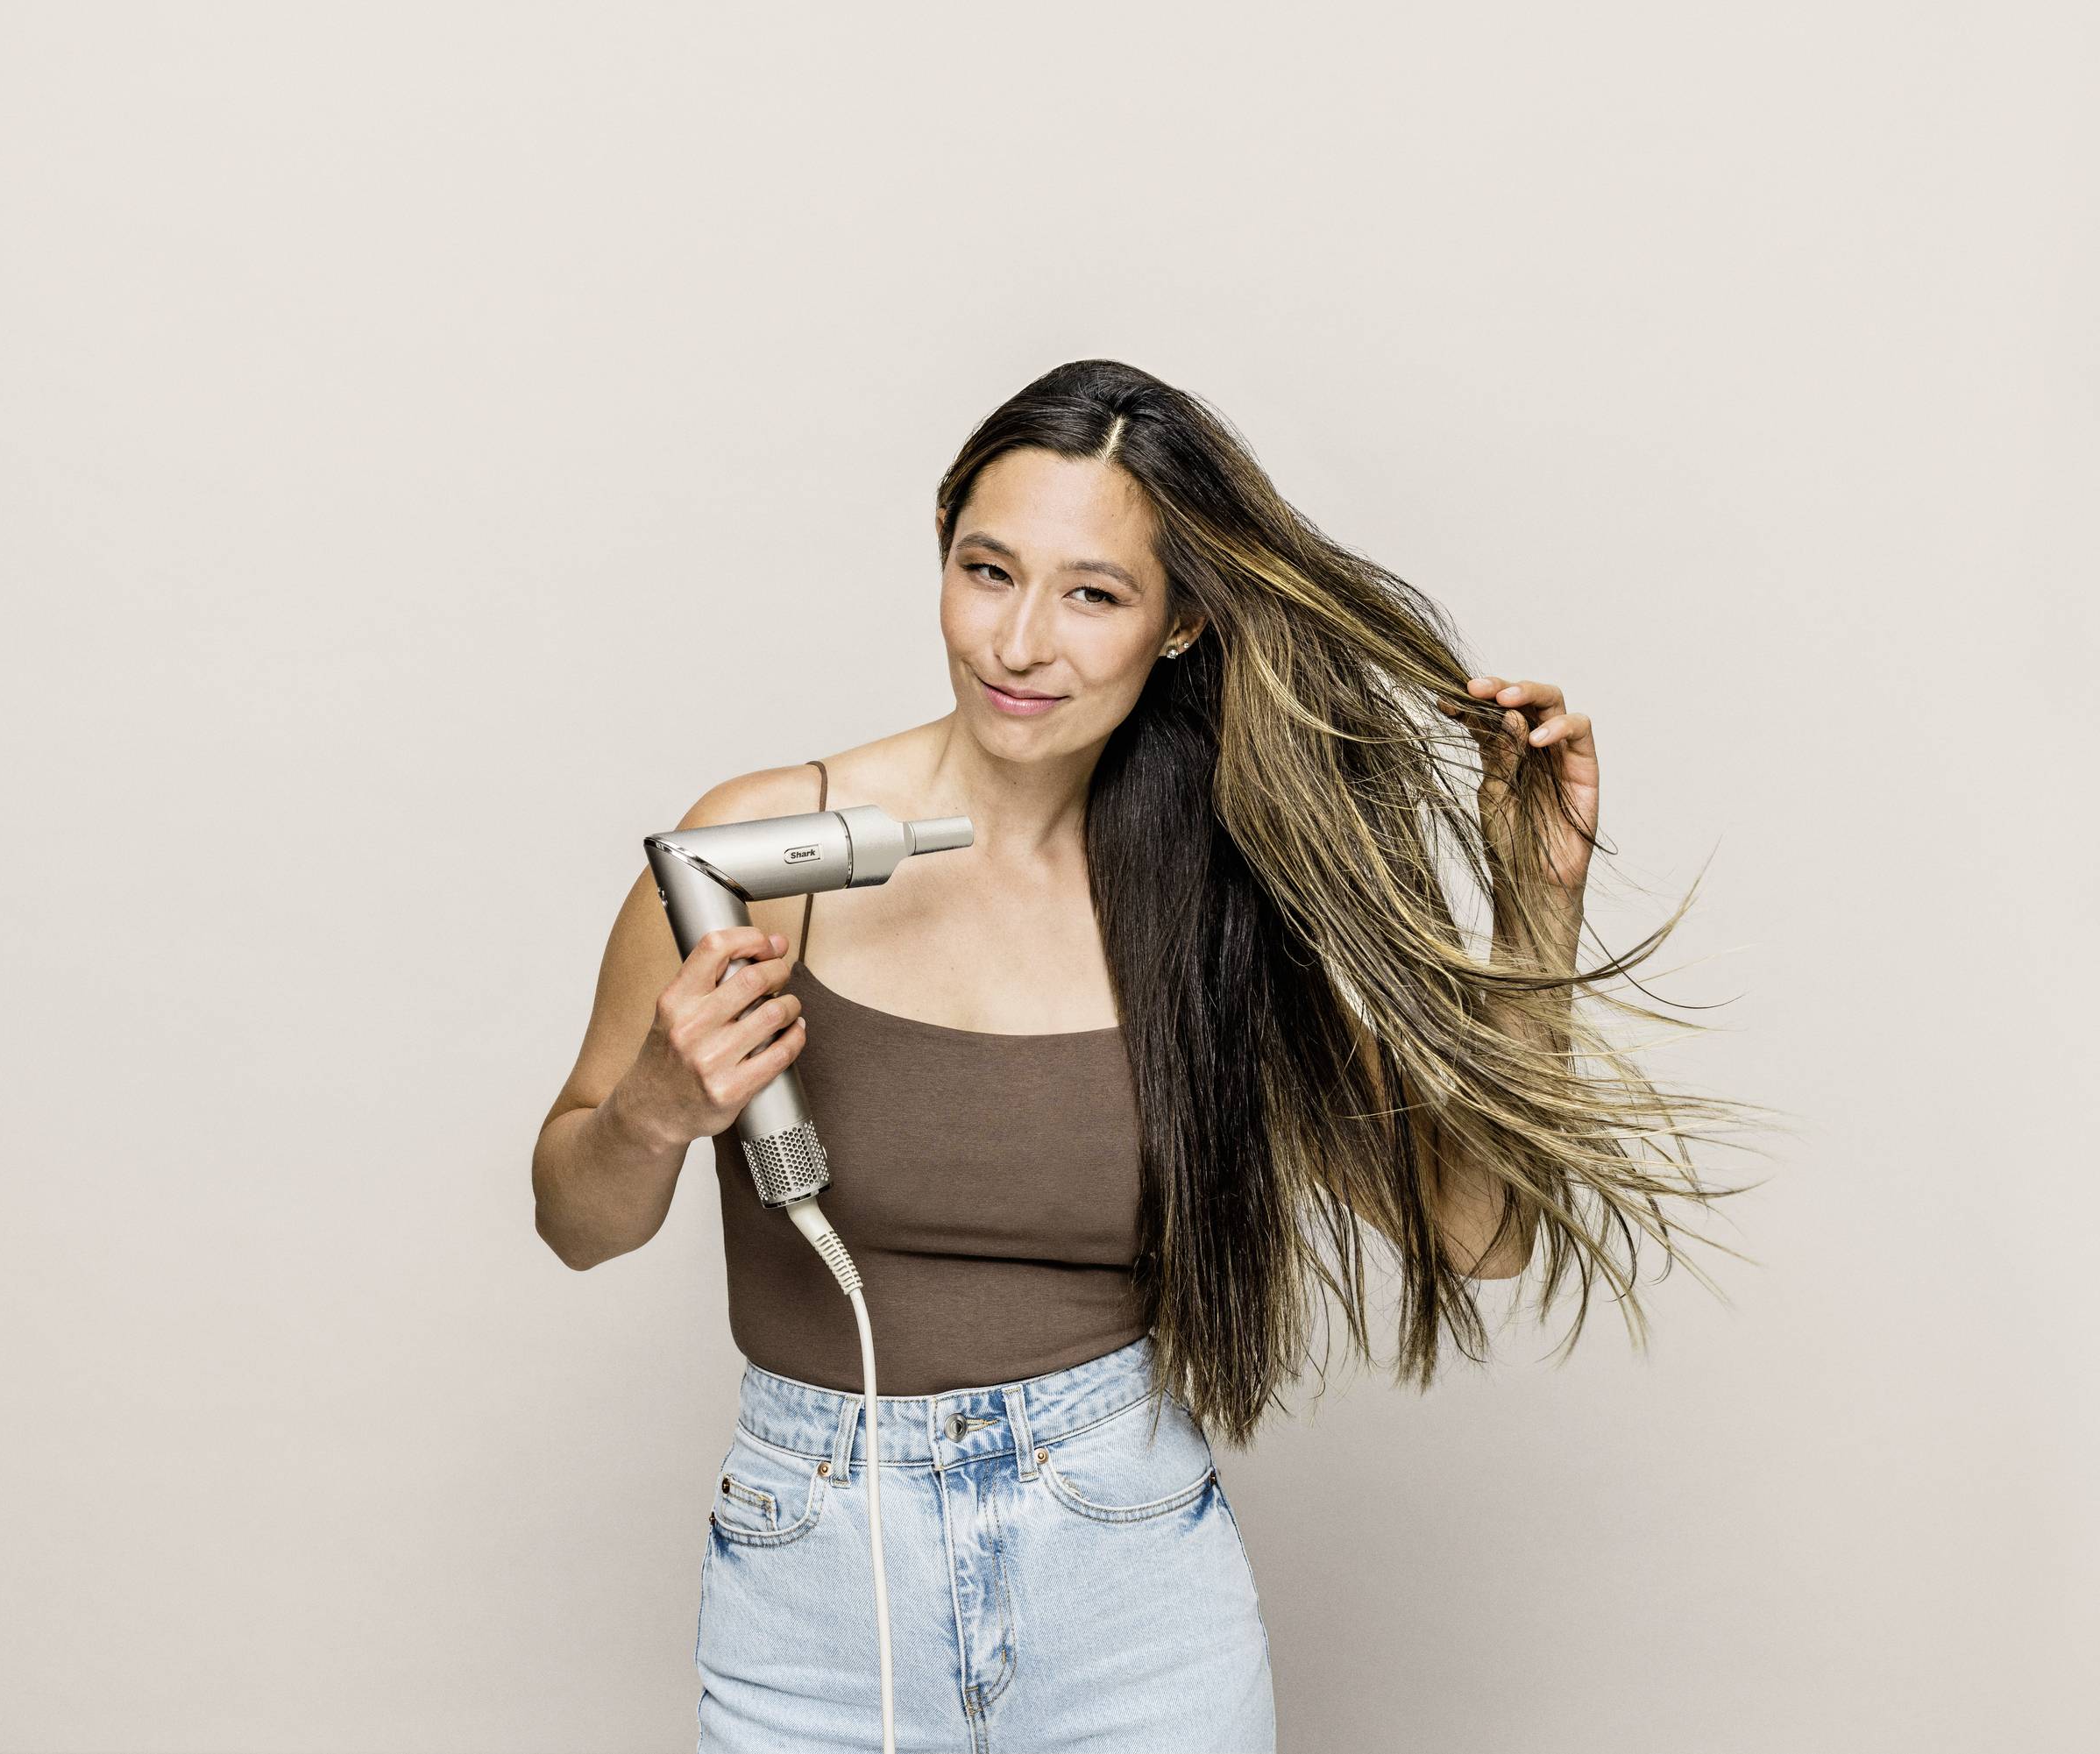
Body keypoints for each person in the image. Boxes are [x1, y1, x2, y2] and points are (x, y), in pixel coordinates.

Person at [531, 359, 1763, 1751]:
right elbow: (573, 1218)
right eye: (989, 571)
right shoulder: (758, 852)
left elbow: (1477, 1231)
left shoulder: (1214, 909)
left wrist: (1540, 895)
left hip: (1125, 1584)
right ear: (942, 544)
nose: (1021, 642)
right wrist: (650, 1110)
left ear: (1179, 625)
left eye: (1094, 593)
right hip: (812, 1580)